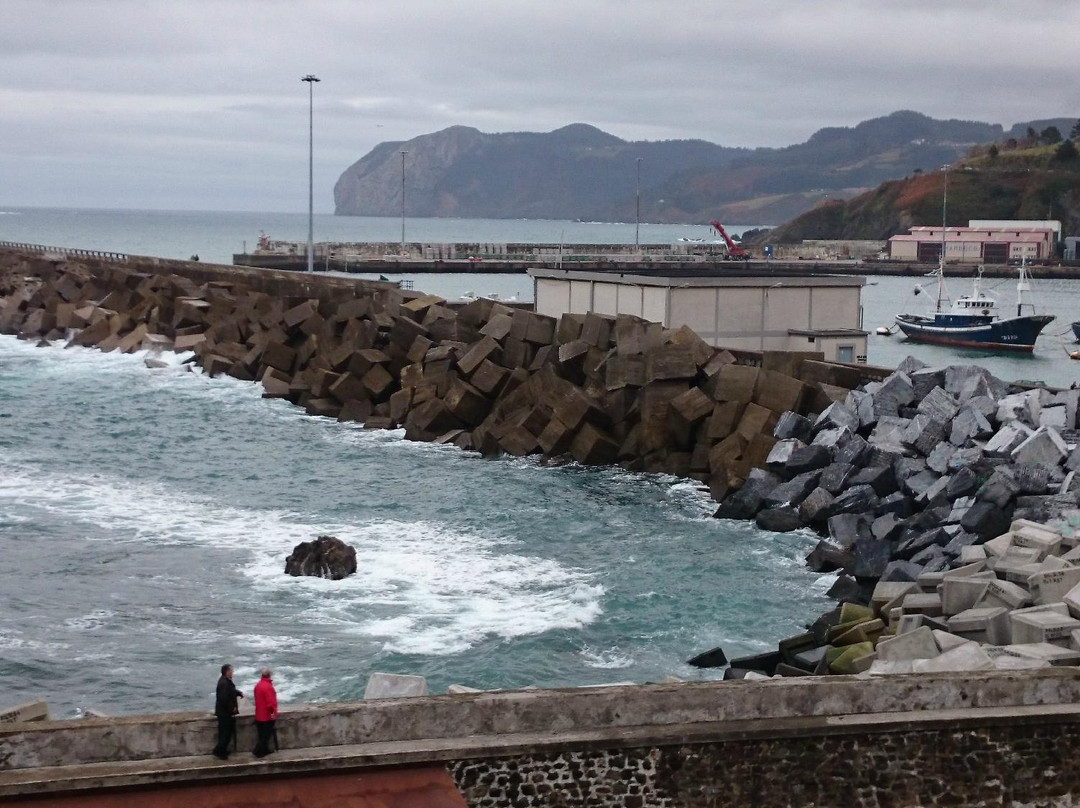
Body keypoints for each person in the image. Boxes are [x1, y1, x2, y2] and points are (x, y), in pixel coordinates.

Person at [212, 663, 243, 760]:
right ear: (227, 672)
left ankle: (221, 749)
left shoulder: (225, 681)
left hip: (224, 713)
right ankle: (219, 751)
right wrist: (232, 708)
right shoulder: (224, 683)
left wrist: (238, 693)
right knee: (225, 733)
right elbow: (223, 698)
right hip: (224, 713)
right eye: (231, 671)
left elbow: (230, 691)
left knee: (225, 733)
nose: (232, 672)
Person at [252, 667, 278, 758]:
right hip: (266, 716)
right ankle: (257, 751)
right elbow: (270, 703)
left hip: (259, 714)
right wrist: (272, 714)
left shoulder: (257, 685)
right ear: (269, 675)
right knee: (265, 736)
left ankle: (264, 750)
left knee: (261, 734)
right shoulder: (268, 687)